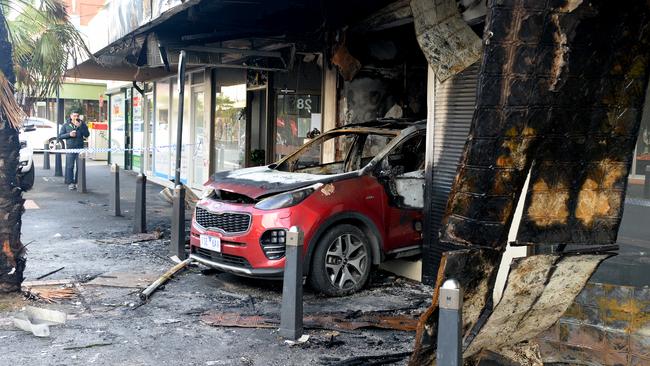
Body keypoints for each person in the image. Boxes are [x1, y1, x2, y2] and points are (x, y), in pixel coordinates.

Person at [58, 110, 89, 190]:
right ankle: (70, 183)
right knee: (70, 166)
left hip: (80, 148)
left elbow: (87, 134)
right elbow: (60, 136)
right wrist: (69, 134)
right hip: (70, 148)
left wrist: (81, 126)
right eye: (74, 116)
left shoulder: (82, 124)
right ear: (71, 116)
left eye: (77, 116)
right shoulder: (66, 125)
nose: (76, 117)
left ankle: (77, 182)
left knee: (80, 166)